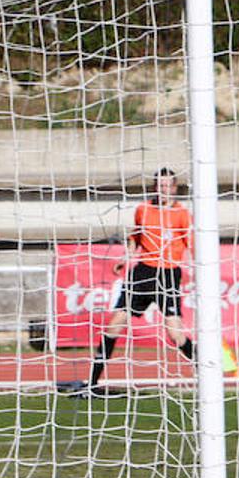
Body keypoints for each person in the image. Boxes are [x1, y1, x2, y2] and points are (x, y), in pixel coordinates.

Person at [84, 168, 193, 392]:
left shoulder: (181, 213)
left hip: (169, 274)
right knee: (115, 323)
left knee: (175, 333)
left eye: (167, 186)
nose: (163, 190)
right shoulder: (143, 209)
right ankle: (93, 383)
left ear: (174, 188)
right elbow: (136, 238)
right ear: (155, 187)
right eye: (159, 185)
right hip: (142, 273)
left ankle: (205, 369)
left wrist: (196, 269)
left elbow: (190, 244)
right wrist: (126, 258)